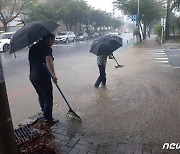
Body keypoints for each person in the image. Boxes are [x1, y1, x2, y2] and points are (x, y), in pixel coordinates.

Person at [28, 33, 59, 124]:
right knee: (48, 98)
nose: (53, 42)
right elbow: (48, 60)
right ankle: (49, 119)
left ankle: (44, 113)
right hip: (43, 78)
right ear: (49, 39)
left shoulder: (33, 47)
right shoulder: (46, 48)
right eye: (53, 40)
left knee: (41, 96)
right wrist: (53, 75)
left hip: (33, 77)